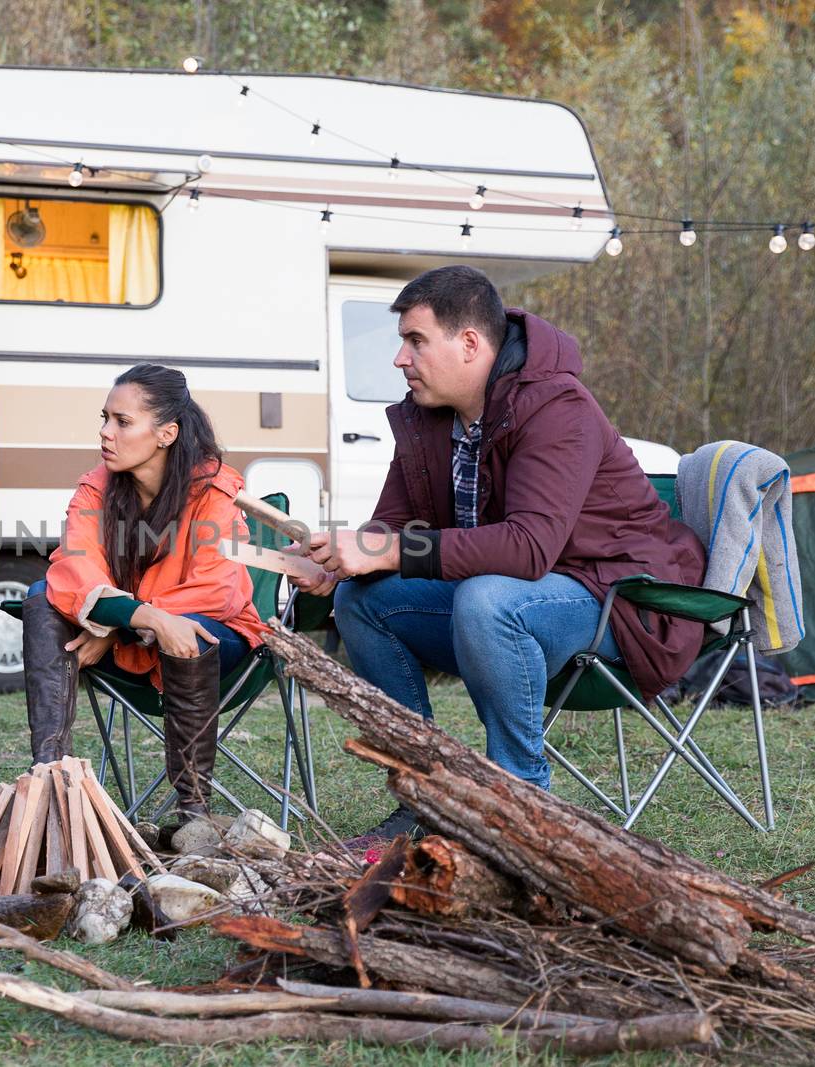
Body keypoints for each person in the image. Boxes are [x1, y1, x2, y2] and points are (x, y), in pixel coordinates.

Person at [294, 265, 706, 842]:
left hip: (619, 600)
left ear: (469, 344)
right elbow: (391, 525)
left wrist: (390, 550)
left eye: (415, 341)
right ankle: (426, 793)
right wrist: (336, 562)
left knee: (490, 599)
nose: (400, 360)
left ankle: (522, 804)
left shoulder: (557, 406)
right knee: (365, 599)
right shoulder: (427, 415)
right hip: (521, 598)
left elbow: (530, 546)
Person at [22, 363, 270, 825]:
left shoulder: (214, 490)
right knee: (40, 596)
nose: (105, 433)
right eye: (104, 418)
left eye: (122, 422)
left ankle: (193, 813)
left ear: (166, 433)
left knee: (188, 634)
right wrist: (144, 621)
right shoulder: (96, 488)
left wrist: (120, 630)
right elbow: (73, 573)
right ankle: (49, 782)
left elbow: (219, 591)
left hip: (218, 641)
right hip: (137, 637)